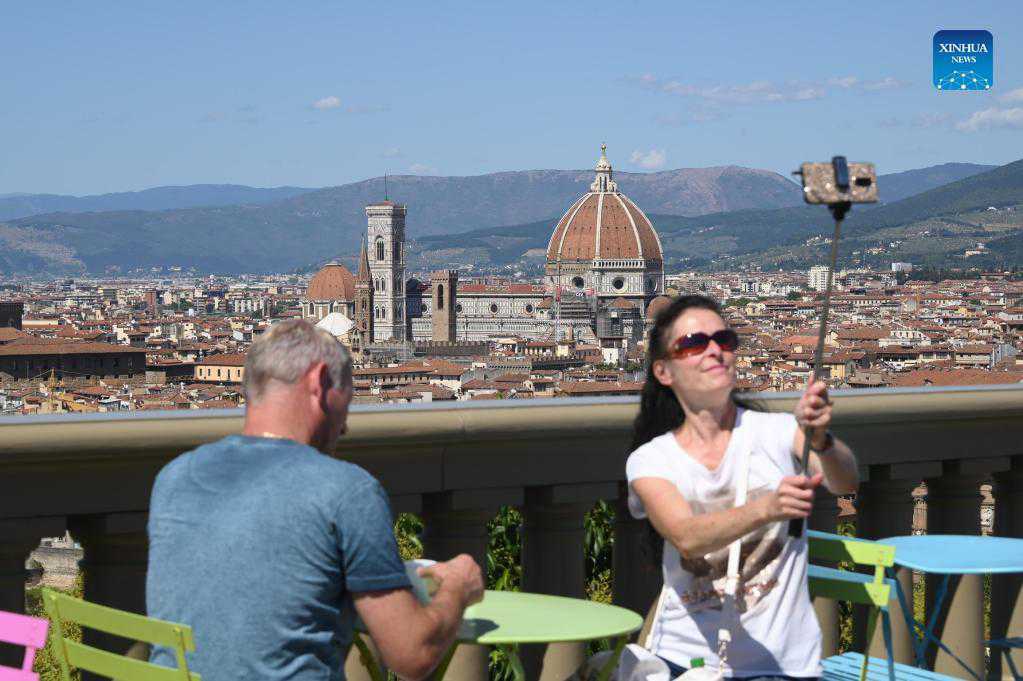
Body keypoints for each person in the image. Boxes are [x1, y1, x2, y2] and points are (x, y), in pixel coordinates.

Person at [146, 319, 483, 681]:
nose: (344, 426)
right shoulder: (347, 492)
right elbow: (412, 654)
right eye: (346, 401)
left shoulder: (176, 477)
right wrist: (457, 587)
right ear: (319, 382)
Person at [626, 295, 859, 679]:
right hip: (684, 662)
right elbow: (686, 537)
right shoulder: (652, 459)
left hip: (782, 667)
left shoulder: (778, 432)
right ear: (664, 371)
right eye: (694, 343)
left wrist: (822, 441)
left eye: (724, 339)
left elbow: (844, 480)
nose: (714, 350)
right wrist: (767, 508)